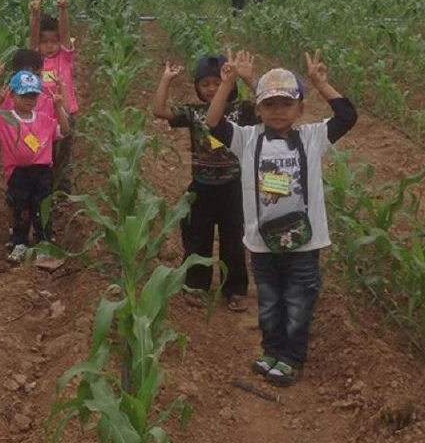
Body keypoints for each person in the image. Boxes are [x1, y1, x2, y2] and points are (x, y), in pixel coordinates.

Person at [206, 50, 357, 386]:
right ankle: (271, 350)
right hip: (262, 241)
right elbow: (214, 122)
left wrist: (321, 83)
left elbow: (347, 116)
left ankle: (291, 358)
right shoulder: (248, 140)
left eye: (286, 104)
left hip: (305, 240)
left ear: (300, 109)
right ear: (257, 109)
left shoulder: (312, 137)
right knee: (270, 300)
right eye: (270, 105)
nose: (278, 112)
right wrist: (228, 82)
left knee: (298, 301)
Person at [151, 54, 257, 312]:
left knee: (233, 239)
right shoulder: (194, 112)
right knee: (197, 238)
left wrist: (248, 78)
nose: (211, 88)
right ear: (197, 88)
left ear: (230, 84)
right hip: (202, 185)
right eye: (205, 84)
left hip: (233, 185)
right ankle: (196, 285)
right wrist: (166, 79)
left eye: (217, 82)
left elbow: (266, 103)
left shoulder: (241, 110)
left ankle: (235, 289)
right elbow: (159, 110)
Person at [0, 71, 70, 263]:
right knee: (21, 208)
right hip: (18, 173)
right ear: (13, 96)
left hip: (42, 172)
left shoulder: (44, 119)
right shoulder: (5, 119)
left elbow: (64, 129)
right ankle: (20, 242)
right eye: (24, 95)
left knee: (42, 207)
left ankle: (43, 242)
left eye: (33, 95)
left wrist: (58, 106)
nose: (29, 100)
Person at [29, 0, 78, 193]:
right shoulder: (35, 60)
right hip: (42, 115)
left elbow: (65, 34)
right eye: (45, 42)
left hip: (66, 113)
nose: (49, 46)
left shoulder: (64, 58)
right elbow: (32, 39)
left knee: (64, 152)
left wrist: (63, 10)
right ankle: (45, 185)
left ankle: (62, 187)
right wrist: (35, 15)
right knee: (43, 151)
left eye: (53, 41)